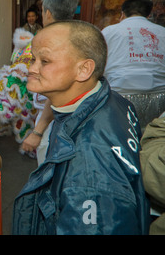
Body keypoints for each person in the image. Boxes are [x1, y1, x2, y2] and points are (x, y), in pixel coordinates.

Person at [12, 20, 150, 235]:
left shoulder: (88, 163)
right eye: (33, 59)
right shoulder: (112, 100)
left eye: (44, 61)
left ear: (84, 69)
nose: (32, 68)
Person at [21, 0, 80, 165]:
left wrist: (38, 131)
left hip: (56, 117)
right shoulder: (81, 35)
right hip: (78, 114)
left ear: (47, 13)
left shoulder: (52, 41)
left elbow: (55, 91)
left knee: (49, 164)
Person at [102, 0, 165, 129]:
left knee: (121, 134)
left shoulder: (110, 31)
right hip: (159, 97)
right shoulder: (162, 32)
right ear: (148, 15)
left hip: (119, 94)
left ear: (122, 14)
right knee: (149, 137)